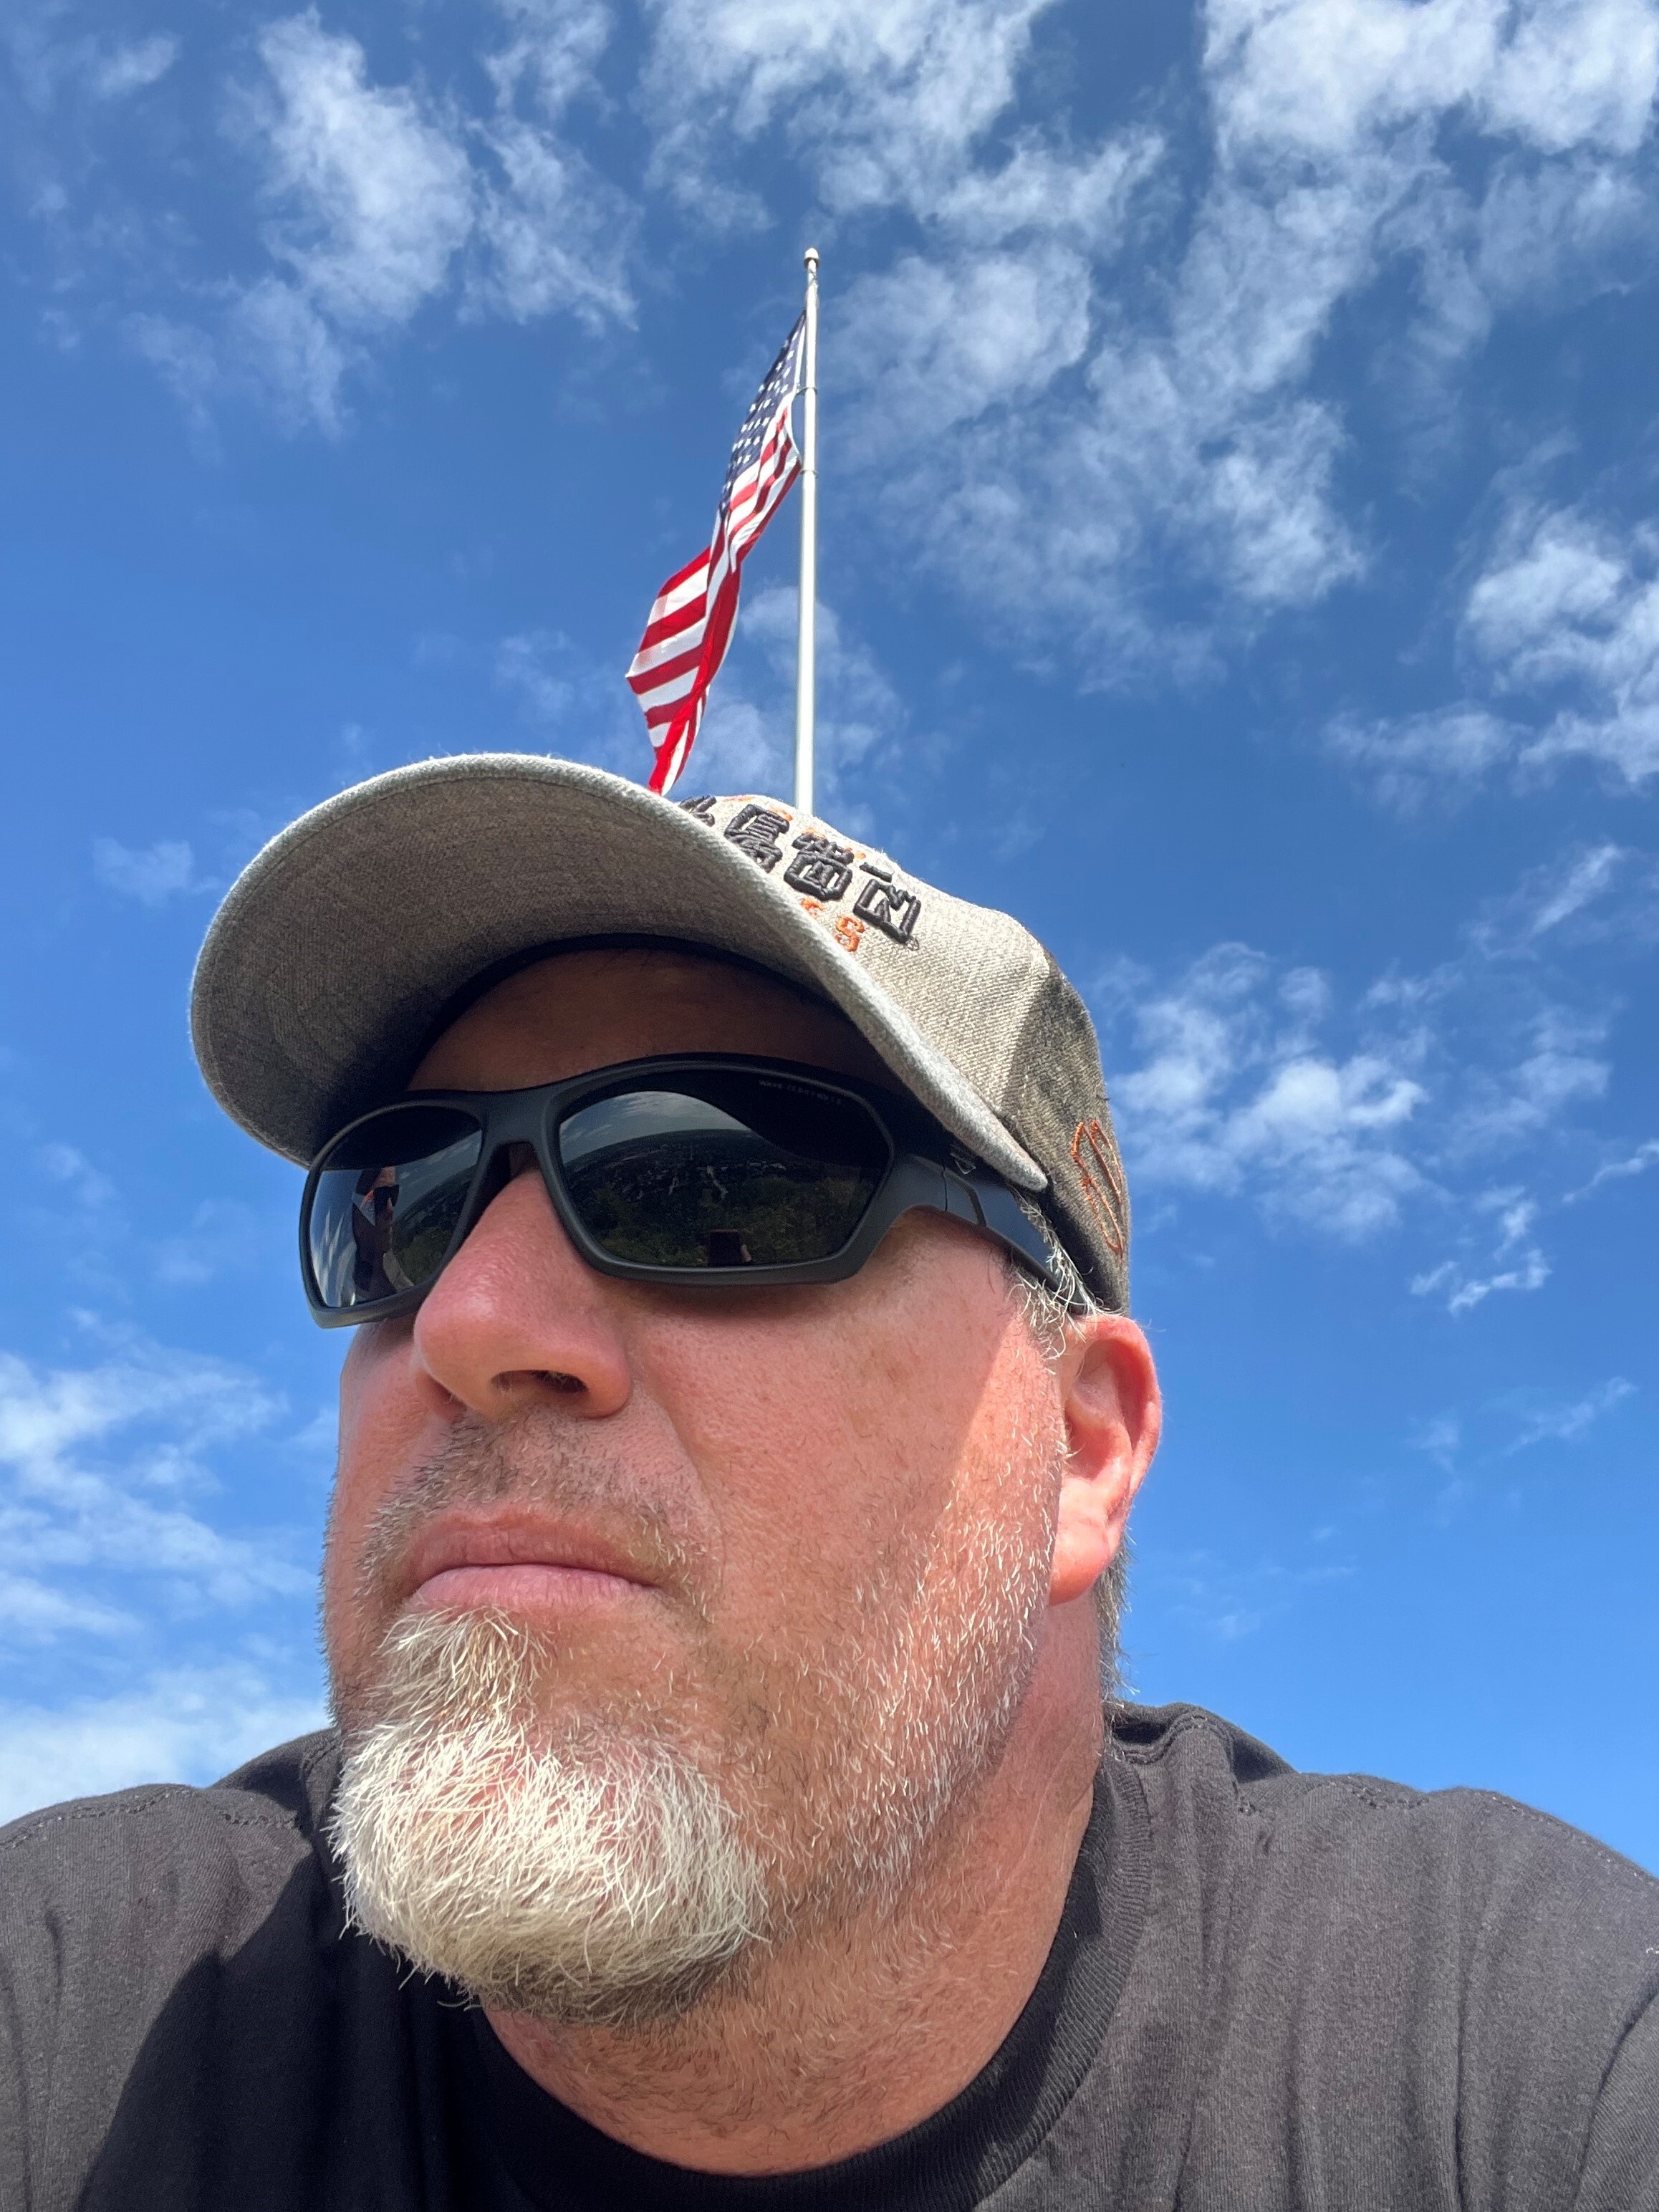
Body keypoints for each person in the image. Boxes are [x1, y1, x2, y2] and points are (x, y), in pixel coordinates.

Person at [3, 753, 1655, 2211]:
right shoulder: (84, 2011)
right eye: (401, 1206)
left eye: (709, 1181)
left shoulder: (1497, 2052)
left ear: (1079, 1449)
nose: (466, 1318)